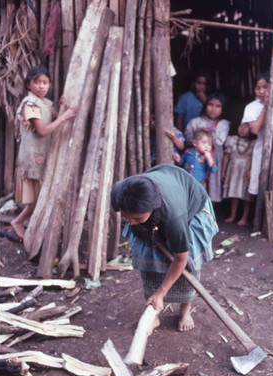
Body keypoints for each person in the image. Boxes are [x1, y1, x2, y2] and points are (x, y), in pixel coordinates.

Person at [110, 164, 219, 332]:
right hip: (165, 186)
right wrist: (140, 221)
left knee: (188, 266)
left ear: (153, 209)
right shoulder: (120, 193)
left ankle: (185, 310)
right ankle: (153, 314)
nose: (130, 223)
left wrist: (162, 292)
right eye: (126, 216)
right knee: (150, 263)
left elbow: (181, 259)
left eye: (138, 218)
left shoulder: (175, 218)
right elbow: (133, 214)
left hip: (190, 203)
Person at [11, 64, 77, 239]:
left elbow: (53, 116)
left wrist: (62, 107)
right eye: (37, 82)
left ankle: (29, 224)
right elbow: (43, 130)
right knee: (37, 196)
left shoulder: (45, 103)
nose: (41, 86)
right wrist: (64, 116)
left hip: (41, 154)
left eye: (45, 82)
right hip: (32, 155)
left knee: (40, 195)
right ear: (28, 84)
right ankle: (18, 221)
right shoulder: (30, 104)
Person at [185, 92, 230, 204]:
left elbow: (219, 141)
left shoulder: (224, 124)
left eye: (218, 106)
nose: (213, 109)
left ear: (223, 108)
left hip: (214, 158)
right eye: (210, 104)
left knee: (212, 187)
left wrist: (201, 134)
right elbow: (188, 138)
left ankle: (210, 214)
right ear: (205, 105)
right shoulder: (195, 121)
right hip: (196, 159)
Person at [221, 123, 257, 226]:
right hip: (234, 170)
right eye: (241, 125)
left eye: (246, 127)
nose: (242, 129)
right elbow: (226, 156)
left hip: (246, 170)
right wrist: (223, 171)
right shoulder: (232, 140)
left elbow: (256, 159)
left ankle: (244, 217)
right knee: (234, 193)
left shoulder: (254, 143)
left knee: (246, 195)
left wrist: (252, 170)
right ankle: (233, 215)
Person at [241, 71, 270, 197]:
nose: (262, 91)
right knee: (262, 185)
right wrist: (265, 108)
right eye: (258, 88)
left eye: (265, 87)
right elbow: (255, 129)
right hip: (263, 149)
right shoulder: (252, 107)